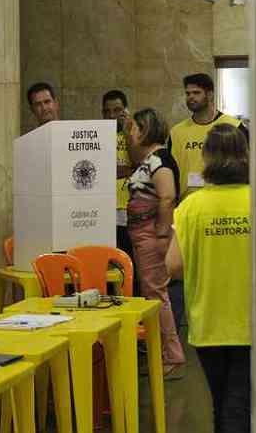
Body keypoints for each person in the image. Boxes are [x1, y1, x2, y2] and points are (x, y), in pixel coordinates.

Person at [166, 124, 256, 433]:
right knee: (240, 406)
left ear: (207, 158)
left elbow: (173, 266)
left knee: (222, 403)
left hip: (208, 324)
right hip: (255, 324)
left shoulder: (190, 208)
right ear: (247, 156)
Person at [126, 108, 186, 378]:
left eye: (134, 128)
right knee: (154, 294)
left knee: (156, 295)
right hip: (144, 235)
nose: (130, 133)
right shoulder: (150, 160)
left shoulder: (160, 160)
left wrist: (162, 232)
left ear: (146, 129)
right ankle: (163, 351)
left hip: (152, 236)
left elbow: (167, 197)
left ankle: (171, 354)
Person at [170, 73, 249, 201]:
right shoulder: (176, 132)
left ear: (210, 95)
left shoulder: (234, 127)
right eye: (188, 93)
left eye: (196, 93)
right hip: (188, 203)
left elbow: (248, 164)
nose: (191, 97)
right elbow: (170, 171)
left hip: (225, 200)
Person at [101, 89, 138, 294]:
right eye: (107, 111)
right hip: (105, 211)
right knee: (109, 266)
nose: (112, 116)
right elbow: (100, 170)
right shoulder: (96, 135)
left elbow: (138, 163)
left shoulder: (133, 134)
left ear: (126, 111)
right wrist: (126, 170)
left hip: (128, 208)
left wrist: (127, 132)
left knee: (129, 264)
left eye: (117, 110)